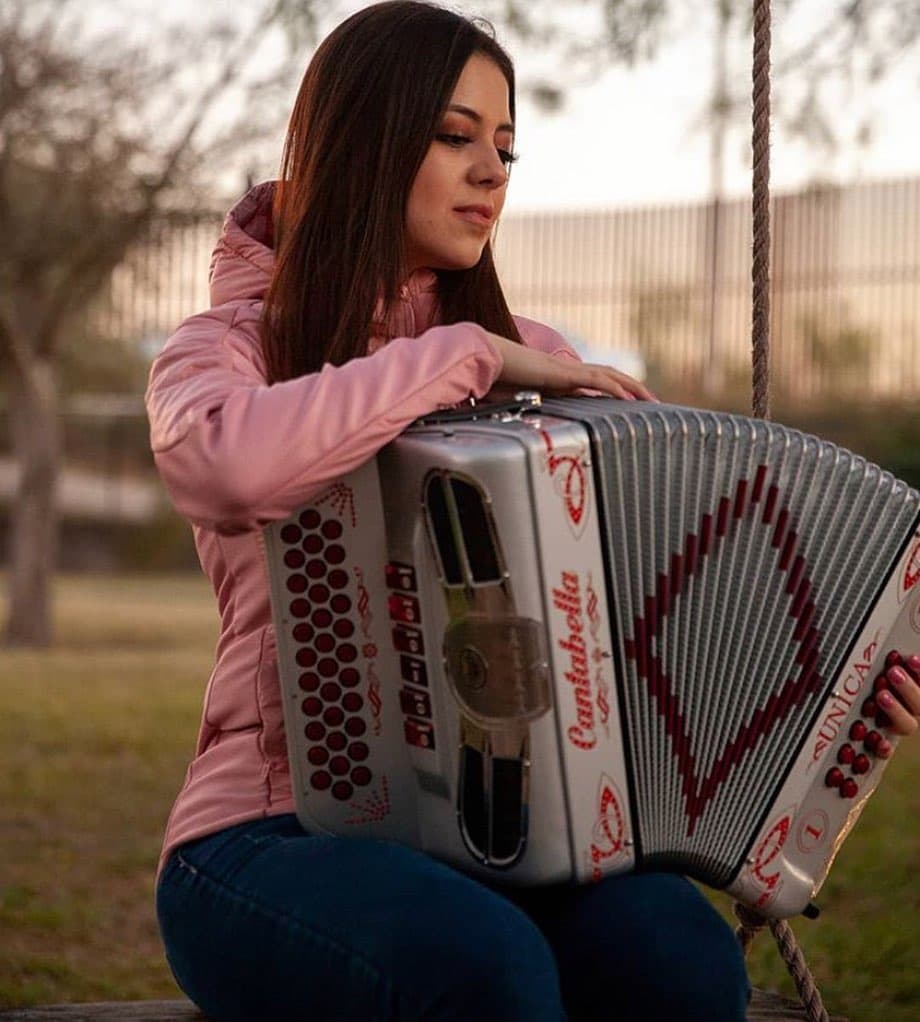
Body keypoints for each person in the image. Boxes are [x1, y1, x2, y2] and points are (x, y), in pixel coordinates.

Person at [146, 3, 920, 1020]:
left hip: (519, 836)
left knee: (683, 963)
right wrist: (462, 358)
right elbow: (227, 469)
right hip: (263, 837)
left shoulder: (534, 357)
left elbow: (679, 576)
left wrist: (840, 693)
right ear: (363, 140)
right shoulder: (228, 348)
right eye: (455, 135)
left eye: (505, 146)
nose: (491, 171)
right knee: (479, 965)